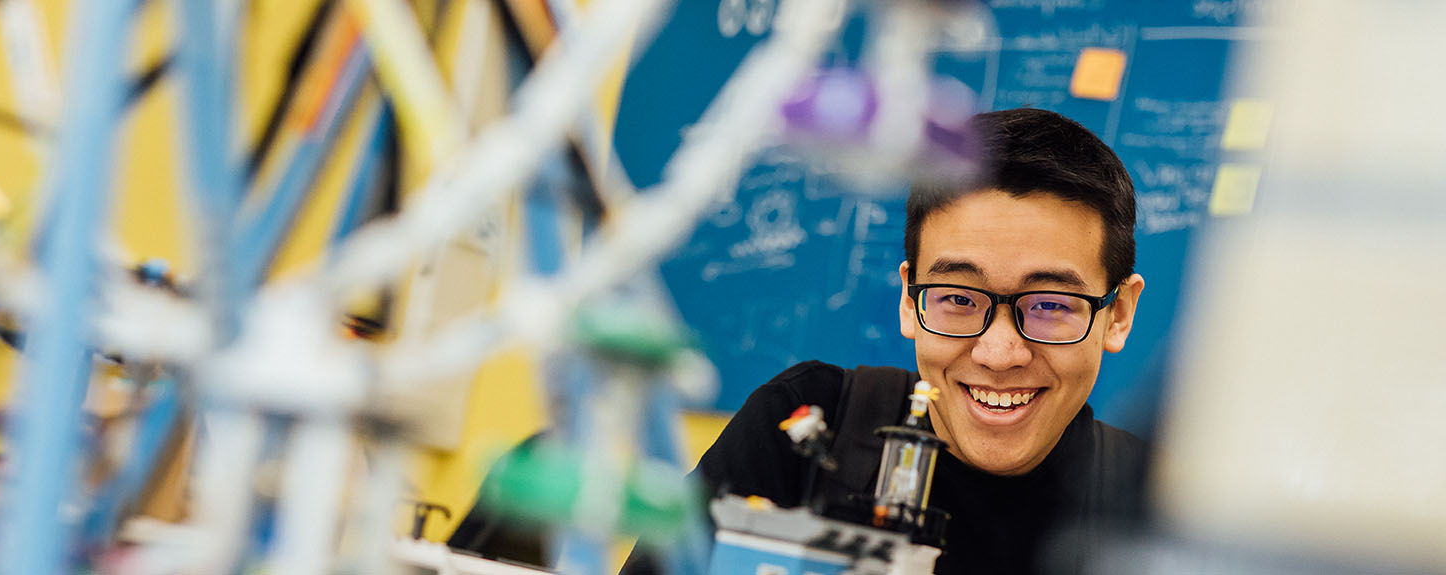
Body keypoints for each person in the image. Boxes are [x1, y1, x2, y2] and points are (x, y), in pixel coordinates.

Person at [452, 107, 1149, 574]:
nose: (999, 352)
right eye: (959, 299)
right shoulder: (804, 428)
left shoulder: (1165, 511)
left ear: (1118, 313)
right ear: (909, 300)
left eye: (1051, 305)